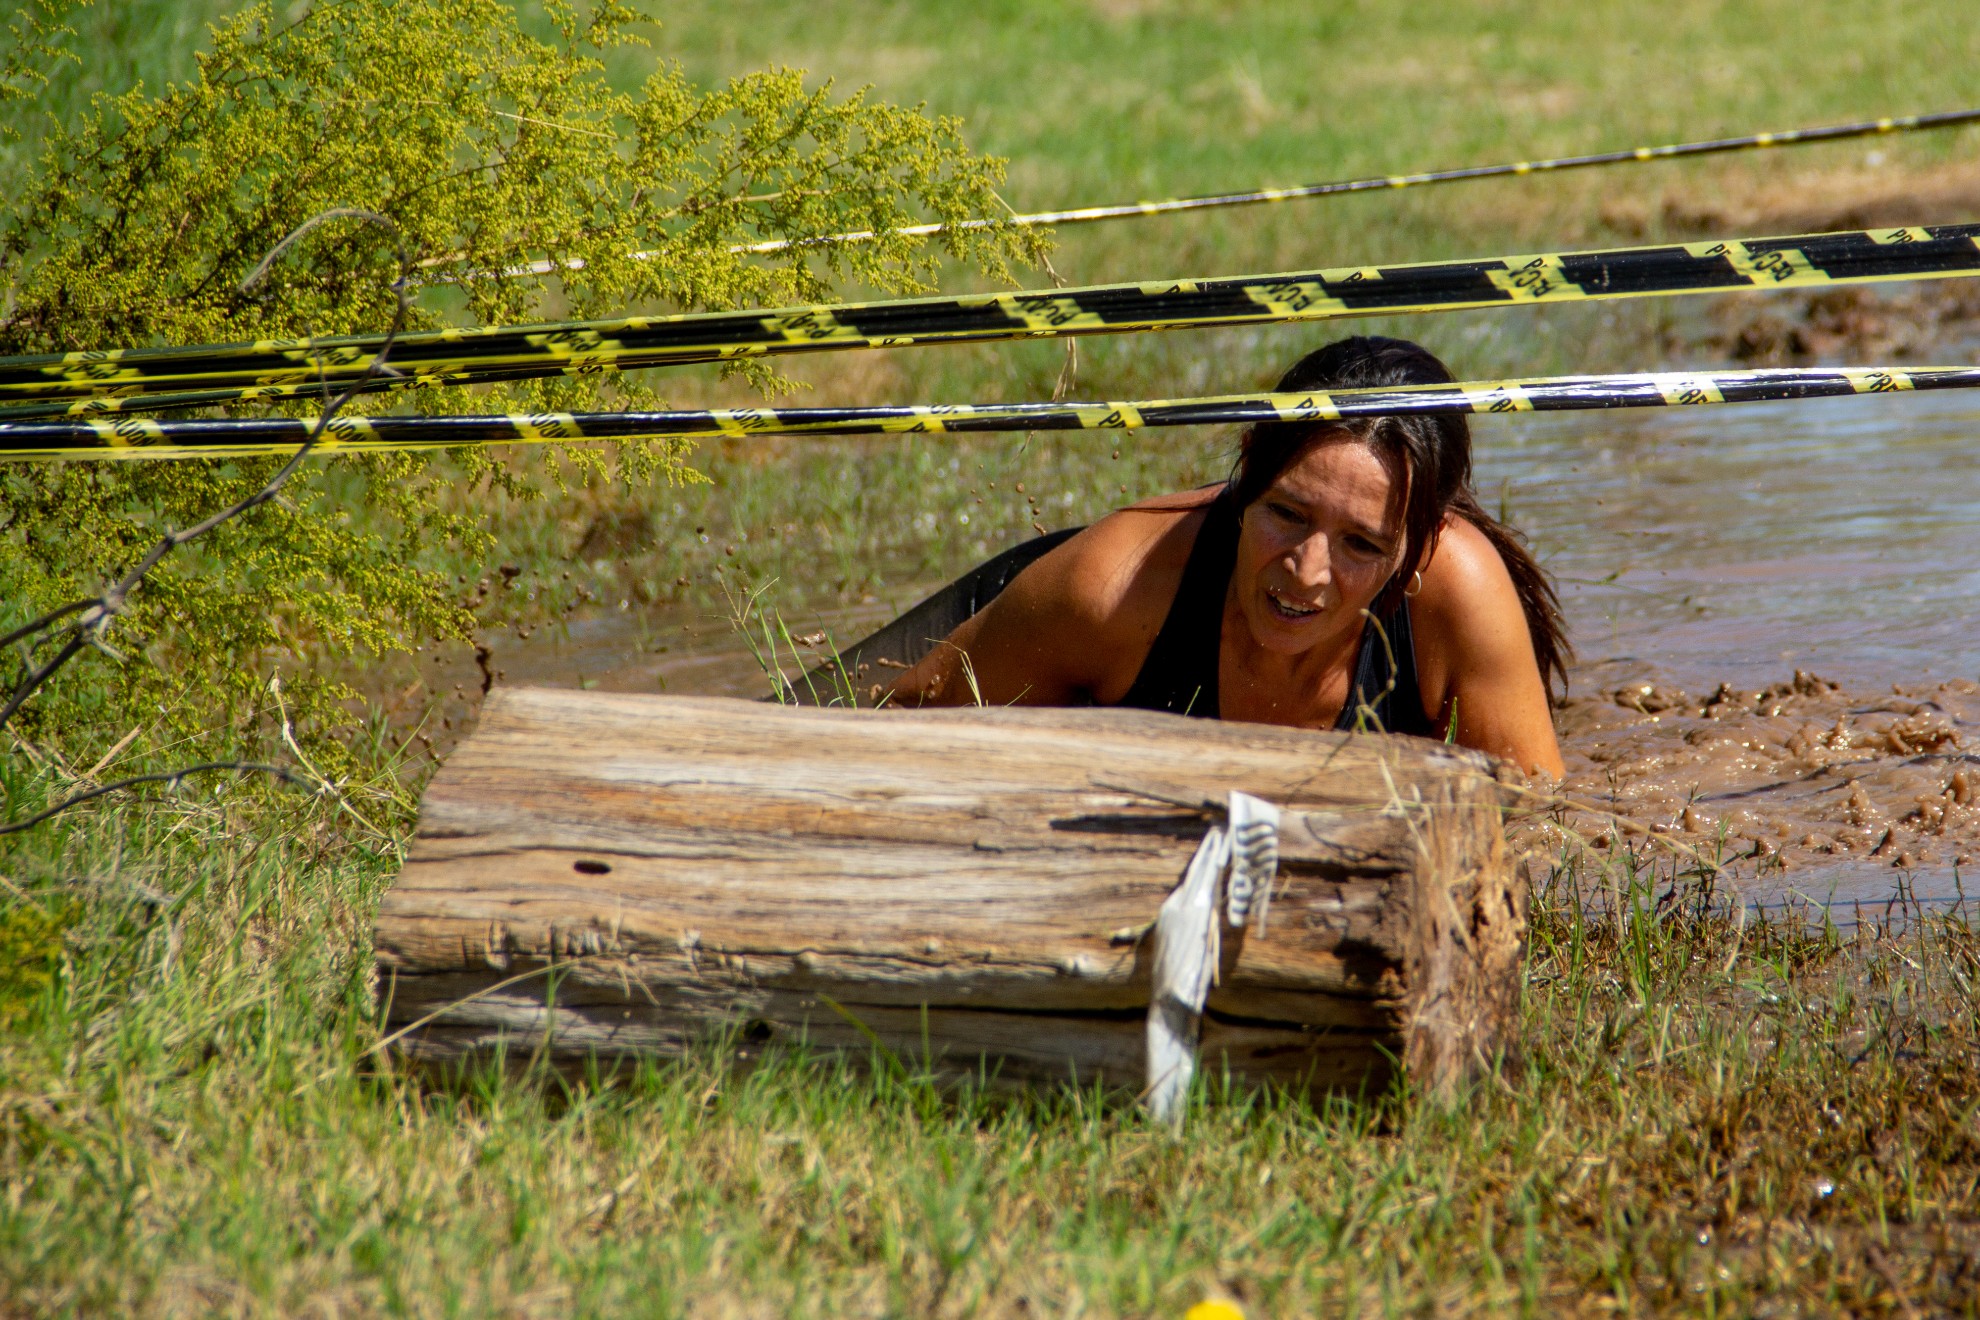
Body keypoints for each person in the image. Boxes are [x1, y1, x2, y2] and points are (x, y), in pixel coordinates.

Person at [886, 336, 1569, 778]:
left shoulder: (1462, 596)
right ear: (1247, 473)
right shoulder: (1109, 589)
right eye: (1286, 514)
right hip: (1010, 613)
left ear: (1416, 548)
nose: (1305, 571)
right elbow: (903, 727)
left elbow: (1543, 830)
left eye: (1360, 544)